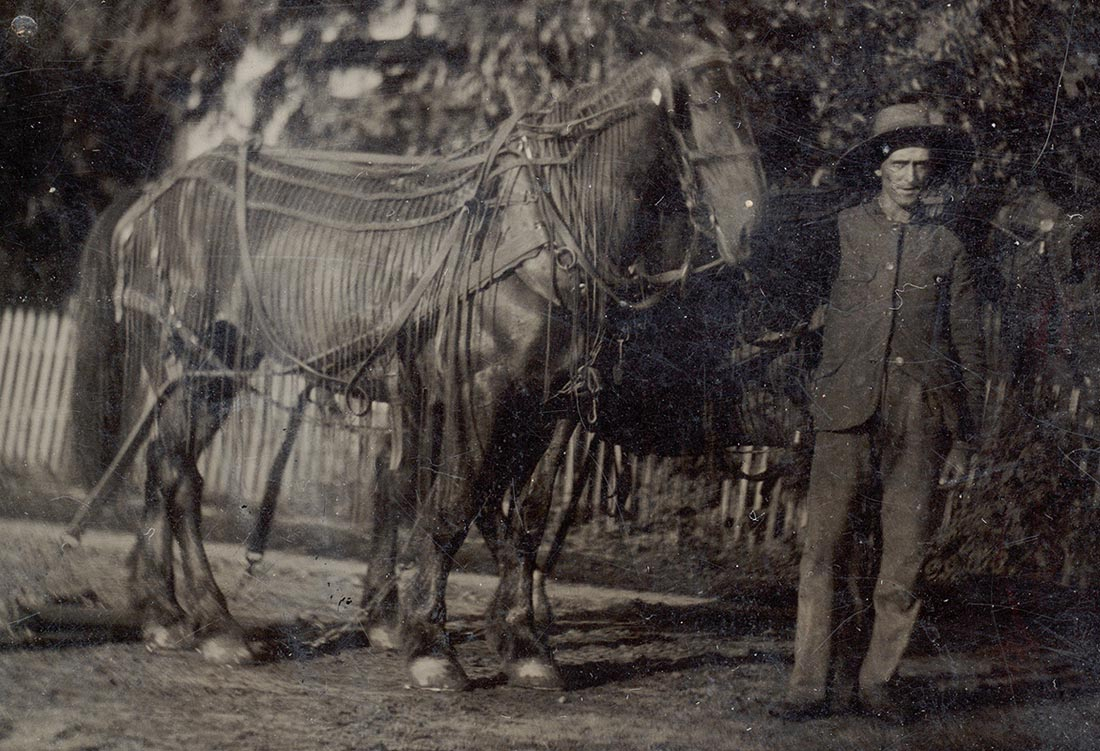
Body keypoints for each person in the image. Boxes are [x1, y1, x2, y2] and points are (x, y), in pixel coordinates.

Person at [776, 101, 985, 722]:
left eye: (923, 165)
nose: (913, 176)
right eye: (901, 163)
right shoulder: (840, 231)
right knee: (822, 552)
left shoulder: (946, 247)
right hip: (844, 409)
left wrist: (968, 439)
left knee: (904, 559)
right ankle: (808, 687)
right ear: (879, 168)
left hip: (920, 416)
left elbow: (969, 346)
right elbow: (798, 308)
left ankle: (876, 684)